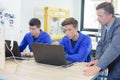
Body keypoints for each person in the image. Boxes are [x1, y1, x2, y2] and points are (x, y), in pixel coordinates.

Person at [83, 2, 120, 80]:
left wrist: (98, 66)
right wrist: (97, 59)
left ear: (110, 16)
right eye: (97, 16)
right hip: (112, 60)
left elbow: (114, 48)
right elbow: (101, 43)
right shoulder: (104, 25)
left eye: (100, 16)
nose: (97, 19)